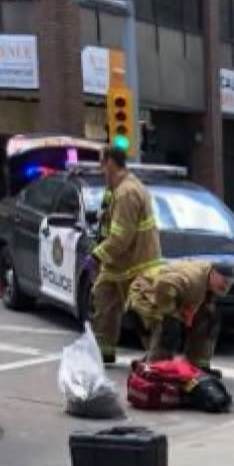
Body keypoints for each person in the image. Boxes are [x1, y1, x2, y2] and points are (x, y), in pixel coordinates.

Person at [88, 145, 165, 365]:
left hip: (137, 265)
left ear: (111, 163)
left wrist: (96, 255)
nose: (100, 168)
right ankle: (105, 351)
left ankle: (158, 358)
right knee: (102, 301)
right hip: (117, 264)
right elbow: (108, 226)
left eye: (102, 163)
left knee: (142, 314)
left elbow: (121, 237)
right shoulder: (114, 190)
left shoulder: (127, 192)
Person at [126, 260, 234, 372]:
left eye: (230, 283)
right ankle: (157, 368)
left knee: (209, 317)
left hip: (171, 294)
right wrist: (171, 315)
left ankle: (198, 365)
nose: (226, 286)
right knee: (169, 329)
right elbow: (163, 285)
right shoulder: (193, 278)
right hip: (148, 293)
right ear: (212, 274)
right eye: (224, 281)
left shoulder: (207, 281)